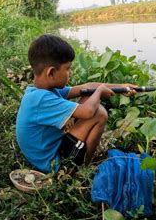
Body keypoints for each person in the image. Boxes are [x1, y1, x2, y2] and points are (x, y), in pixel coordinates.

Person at [16, 34, 137, 173]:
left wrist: (120, 86)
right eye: (67, 69)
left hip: (51, 149)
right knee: (99, 114)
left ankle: (82, 158)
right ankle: (84, 167)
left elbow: (86, 87)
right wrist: (99, 92)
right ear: (51, 72)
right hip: (53, 164)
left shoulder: (40, 90)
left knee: (88, 96)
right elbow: (88, 112)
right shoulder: (40, 100)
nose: (70, 73)